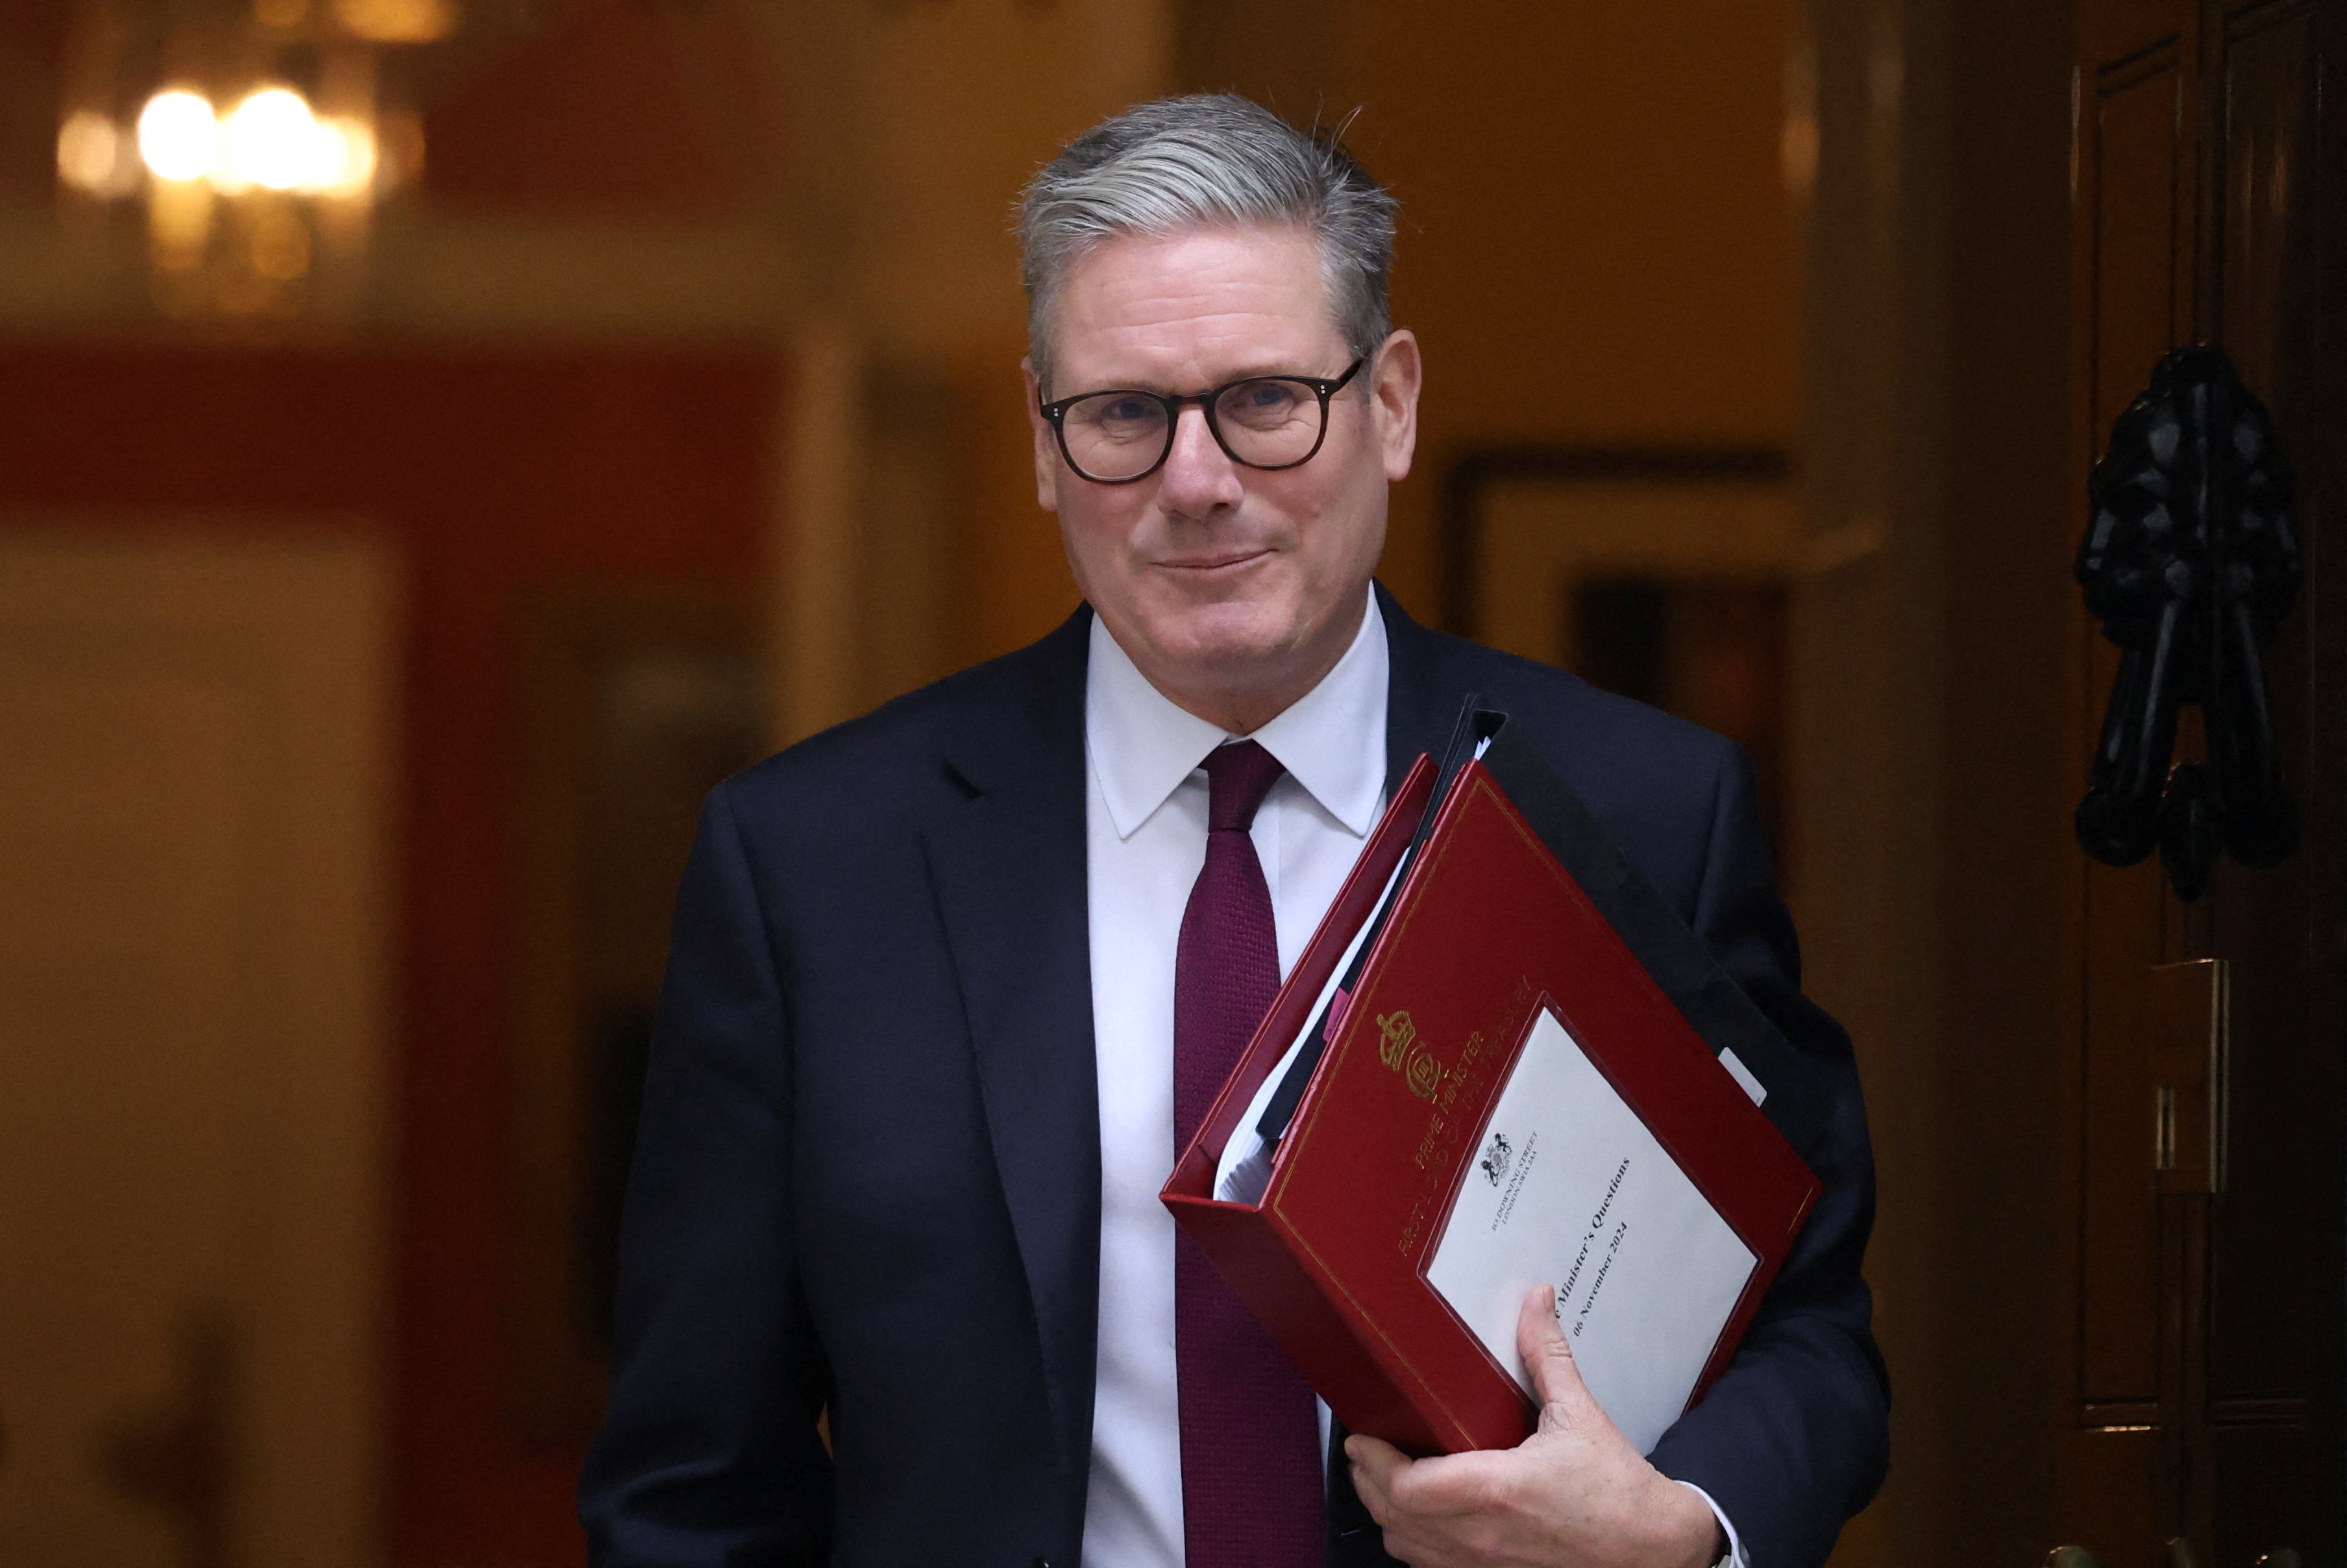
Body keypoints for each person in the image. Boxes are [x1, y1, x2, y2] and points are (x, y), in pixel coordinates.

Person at [578, 93, 1887, 1568]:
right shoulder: (817, 869)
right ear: (1043, 439)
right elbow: (693, 1486)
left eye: (1265, 399)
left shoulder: (1639, 809)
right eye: (1124, 415)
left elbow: (1808, 1333)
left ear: (1391, 403)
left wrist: (1681, 1531)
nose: (1195, 482)